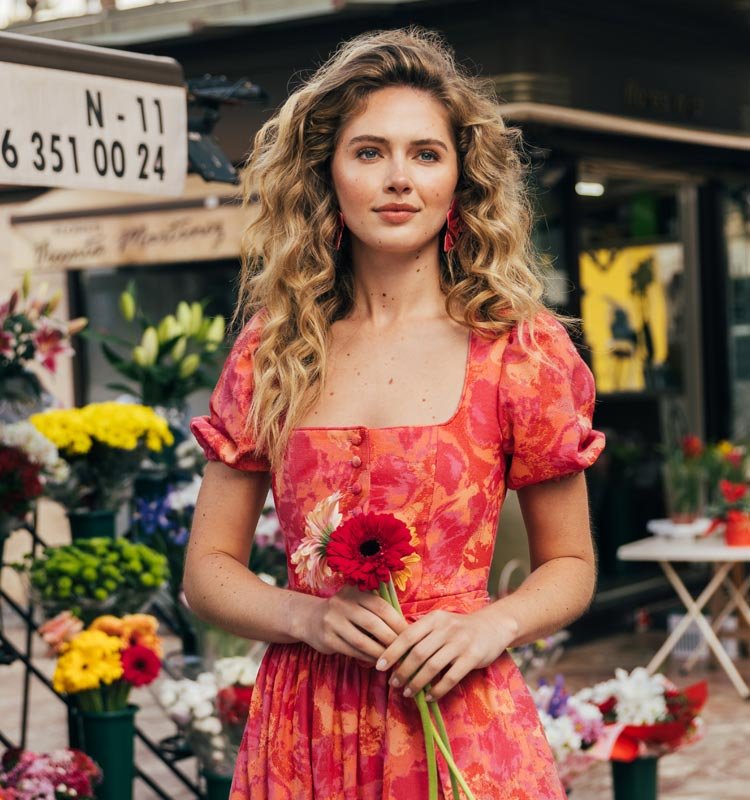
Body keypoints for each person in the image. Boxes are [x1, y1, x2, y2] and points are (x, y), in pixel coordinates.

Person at [185, 27, 605, 800]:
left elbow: (572, 566)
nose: (399, 179)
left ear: (458, 181)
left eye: (426, 153)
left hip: (462, 722)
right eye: (370, 152)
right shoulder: (272, 351)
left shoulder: (518, 349)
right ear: (329, 175)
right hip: (306, 730)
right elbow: (207, 573)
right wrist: (304, 618)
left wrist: (490, 626)